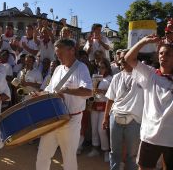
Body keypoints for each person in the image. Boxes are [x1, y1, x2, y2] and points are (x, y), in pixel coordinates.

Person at [36, 39, 93, 170]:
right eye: (56, 53)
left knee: (69, 159)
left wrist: (66, 91)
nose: (58, 56)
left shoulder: (81, 68)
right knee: (43, 155)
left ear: (72, 51)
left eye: (60, 53)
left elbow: (88, 91)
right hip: (53, 118)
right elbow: (49, 90)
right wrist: (39, 95)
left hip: (71, 120)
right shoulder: (57, 69)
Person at [125, 35, 173, 170]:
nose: (163, 56)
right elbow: (129, 58)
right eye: (161, 53)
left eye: (168, 53)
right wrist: (144, 41)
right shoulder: (150, 74)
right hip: (150, 137)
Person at [102, 50, 144, 170]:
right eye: (121, 58)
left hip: (135, 121)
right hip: (115, 118)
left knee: (132, 155)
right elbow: (110, 99)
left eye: (126, 58)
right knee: (114, 152)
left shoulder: (143, 75)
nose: (123, 60)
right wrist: (105, 118)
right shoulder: (117, 77)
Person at [87, 58, 112, 162]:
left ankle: (106, 151)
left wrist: (101, 91)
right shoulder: (95, 77)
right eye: (99, 67)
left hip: (104, 106)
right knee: (94, 129)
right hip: (94, 105)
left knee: (101, 130)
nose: (100, 69)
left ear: (107, 68)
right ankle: (95, 148)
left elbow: (113, 93)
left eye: (102, 67)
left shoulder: (111, 78)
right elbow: (90, 91)